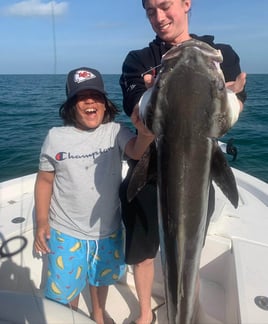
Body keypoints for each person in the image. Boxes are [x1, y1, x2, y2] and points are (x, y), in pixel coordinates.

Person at [119, 1, 247, 323]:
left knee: (190, 252)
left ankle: (190, 311)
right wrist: (148, 120)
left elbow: (228, 112)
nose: (159, 17)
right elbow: (143, 120)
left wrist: (231, 99)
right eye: (151, 11)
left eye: (165, 6)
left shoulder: (223, 53)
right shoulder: (137, 61)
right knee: (143, 252)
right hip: (149, 175)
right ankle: (146, 314)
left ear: (186, 3)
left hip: (200, 174)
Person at [34, 67, 154, 324]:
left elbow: (134, 151)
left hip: (107, 231)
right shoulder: (55, 137)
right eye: (81, 97)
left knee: (101, 279)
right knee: (67, 289)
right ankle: (72, 316)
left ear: (105, 103)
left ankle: (98, 314)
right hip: (66, 232)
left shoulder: (115, 131)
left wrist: (144, 135)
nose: (90, 101)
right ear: (70, 106)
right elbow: (45, 181)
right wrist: (42, 221)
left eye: (96, 95)